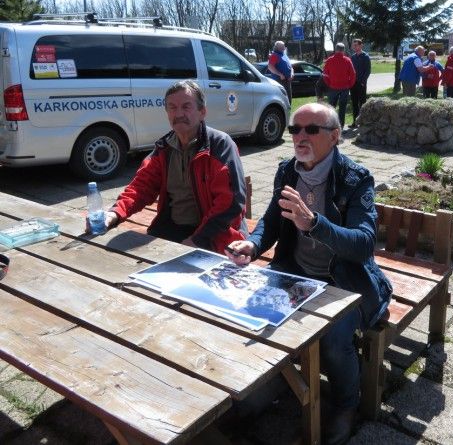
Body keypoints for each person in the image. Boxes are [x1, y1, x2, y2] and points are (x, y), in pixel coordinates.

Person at [226, 103, 392, 444]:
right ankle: (269, 385)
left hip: (342, 281)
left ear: (335, 136)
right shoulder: (287, 171)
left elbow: (363, 245)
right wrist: (253, 246)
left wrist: (315, 223)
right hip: (295, 270)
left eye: (311, 129)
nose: (300, 136)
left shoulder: (355, 178)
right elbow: (272, 221)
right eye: (295, 129)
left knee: (333, 341)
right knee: (250, 315)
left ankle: (346, 404)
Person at [100, 80, 248, 254]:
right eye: (172, 107)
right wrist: (114, 213)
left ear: (202, 112)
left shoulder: (220, 146)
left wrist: (197, 240)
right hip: (171, 229)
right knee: (114, 258)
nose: (178, 113)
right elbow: (141, 187)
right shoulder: (164, 148)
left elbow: (230, 203)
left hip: (214, 235)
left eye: (186, 107)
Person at [323, 43, 356, 130]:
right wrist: (350, 84)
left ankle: (331, 126)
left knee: (331, 108)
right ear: (343, 50)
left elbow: (325, 75)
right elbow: (353, 74)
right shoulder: (347, 60)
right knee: (342, 108)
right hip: (345, 88)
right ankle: (341, 127)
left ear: (336, 49)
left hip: (333, 87)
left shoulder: (329, 60)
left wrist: (329, 84)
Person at [350, 38, 371, 127]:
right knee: (354, 103)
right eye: (353, 45)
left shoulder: (365, 56)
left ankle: (362, 122)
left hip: (361, 84)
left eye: (356, 45)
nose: (354, 47)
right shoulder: (353, 57)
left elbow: (368, 71)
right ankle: (355, 122)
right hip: (353, 84)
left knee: (362, 103)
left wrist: (363, 82)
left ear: (361, 45)